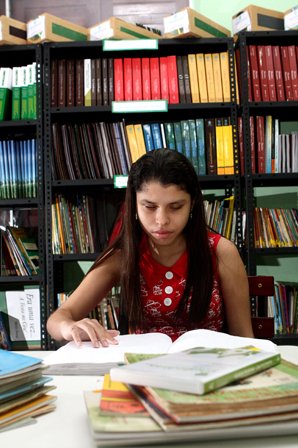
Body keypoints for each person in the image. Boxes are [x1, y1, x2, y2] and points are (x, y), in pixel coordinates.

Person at [47, 148, 254, 347]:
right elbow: (57, 320)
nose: (161, 220)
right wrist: (70, 327)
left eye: (176, 207)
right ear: (134, 205)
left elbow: (245, 338)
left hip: (209, 371)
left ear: (192, 205)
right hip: (144, 371)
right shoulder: (124, 255)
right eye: (149, 206)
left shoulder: (220, 251)